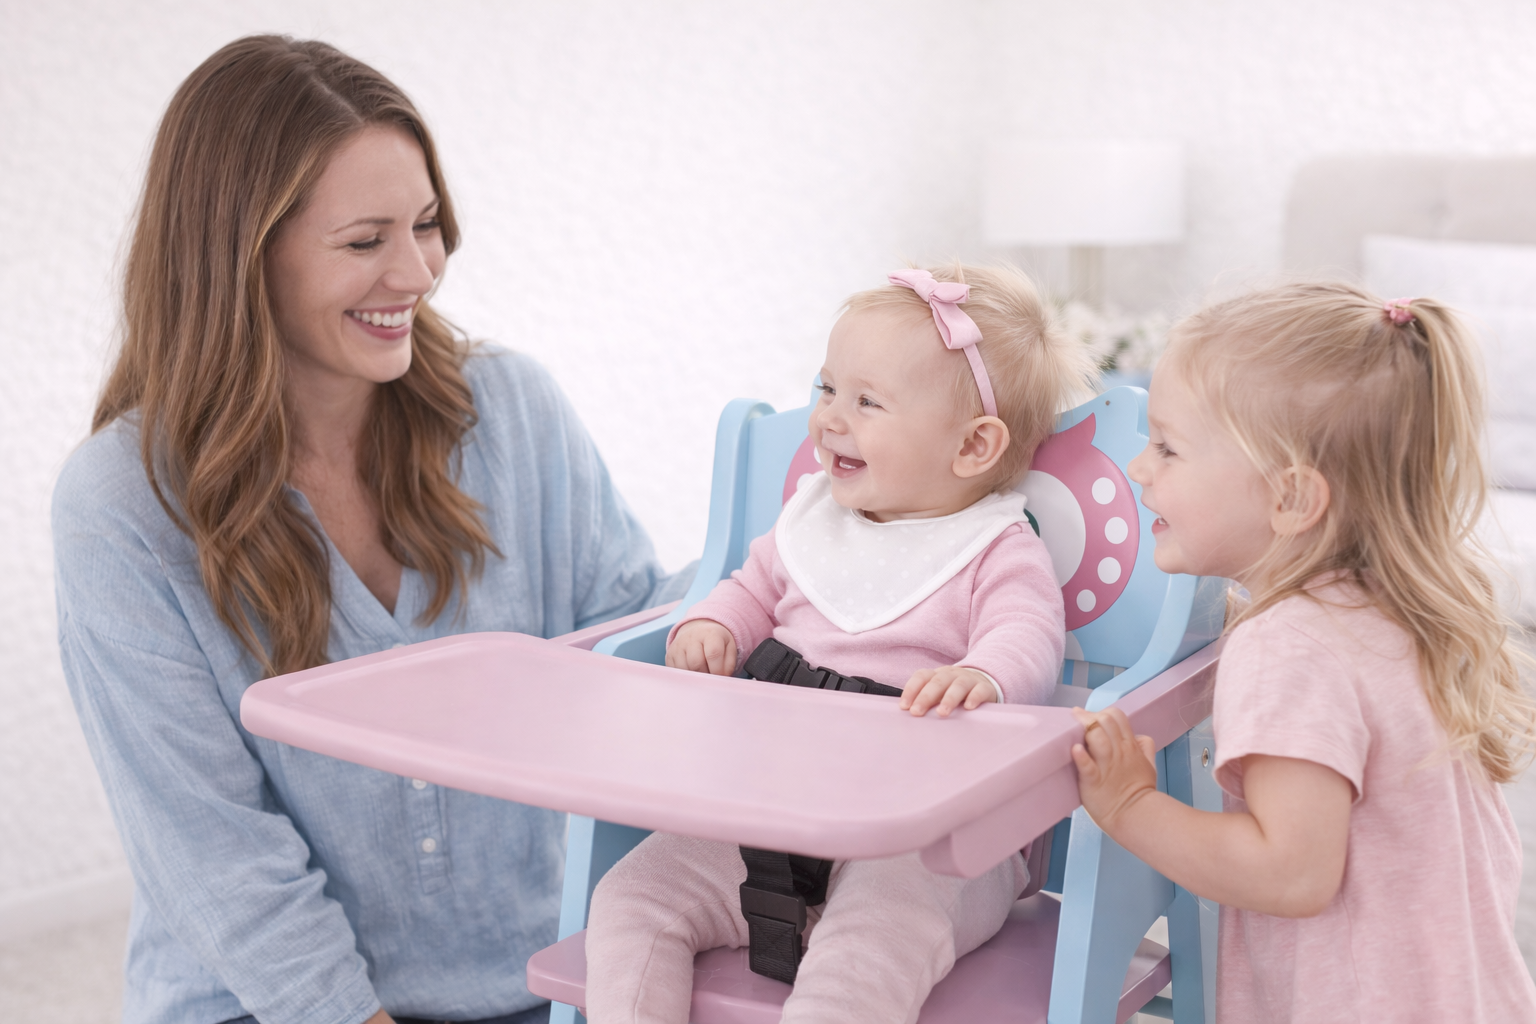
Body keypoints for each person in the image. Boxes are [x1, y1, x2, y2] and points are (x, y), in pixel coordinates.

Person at [52, 35, 690, 1024]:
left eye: (428, 225)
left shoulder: (509, 410)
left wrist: (800, 559)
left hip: (530, 981)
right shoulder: (123, 504)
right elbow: (219, 854)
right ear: (240, 258)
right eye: (365, 241)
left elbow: (629, 651)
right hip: (260, 1005)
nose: (419, 270)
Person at [582, 265, 1096, 1023]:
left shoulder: (995, 549)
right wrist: (713, 627)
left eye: (866, 401)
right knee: (630, 898)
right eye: (826, 389)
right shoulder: (811, 521)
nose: (827, 419)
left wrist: (983, 676)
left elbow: (1027, 636)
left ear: (973, 445)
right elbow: (749, 589)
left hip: (926, 845)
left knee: (871, 951)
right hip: (766, 808)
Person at [1071, 283, 1536, 1021]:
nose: (1139, 469)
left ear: (1290, 498)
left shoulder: (1285, 648)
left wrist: (1130, 806)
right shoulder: (1383, 610)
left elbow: (1291, 872)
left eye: (1167, 446)